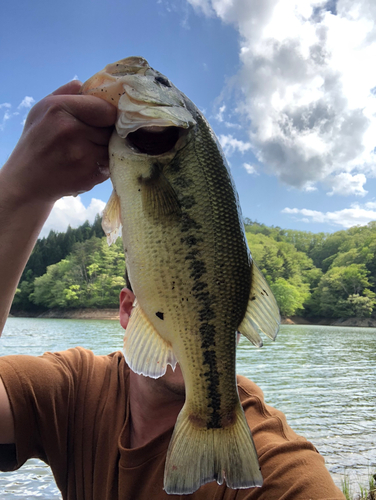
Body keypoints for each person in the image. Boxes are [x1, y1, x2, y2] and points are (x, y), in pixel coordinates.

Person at [0, 81, 345, 499]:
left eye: (221, 307)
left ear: (235, 321)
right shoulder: (73, 389)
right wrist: (19, 191)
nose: (207, 314)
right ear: (128, 311)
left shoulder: (281, 468)